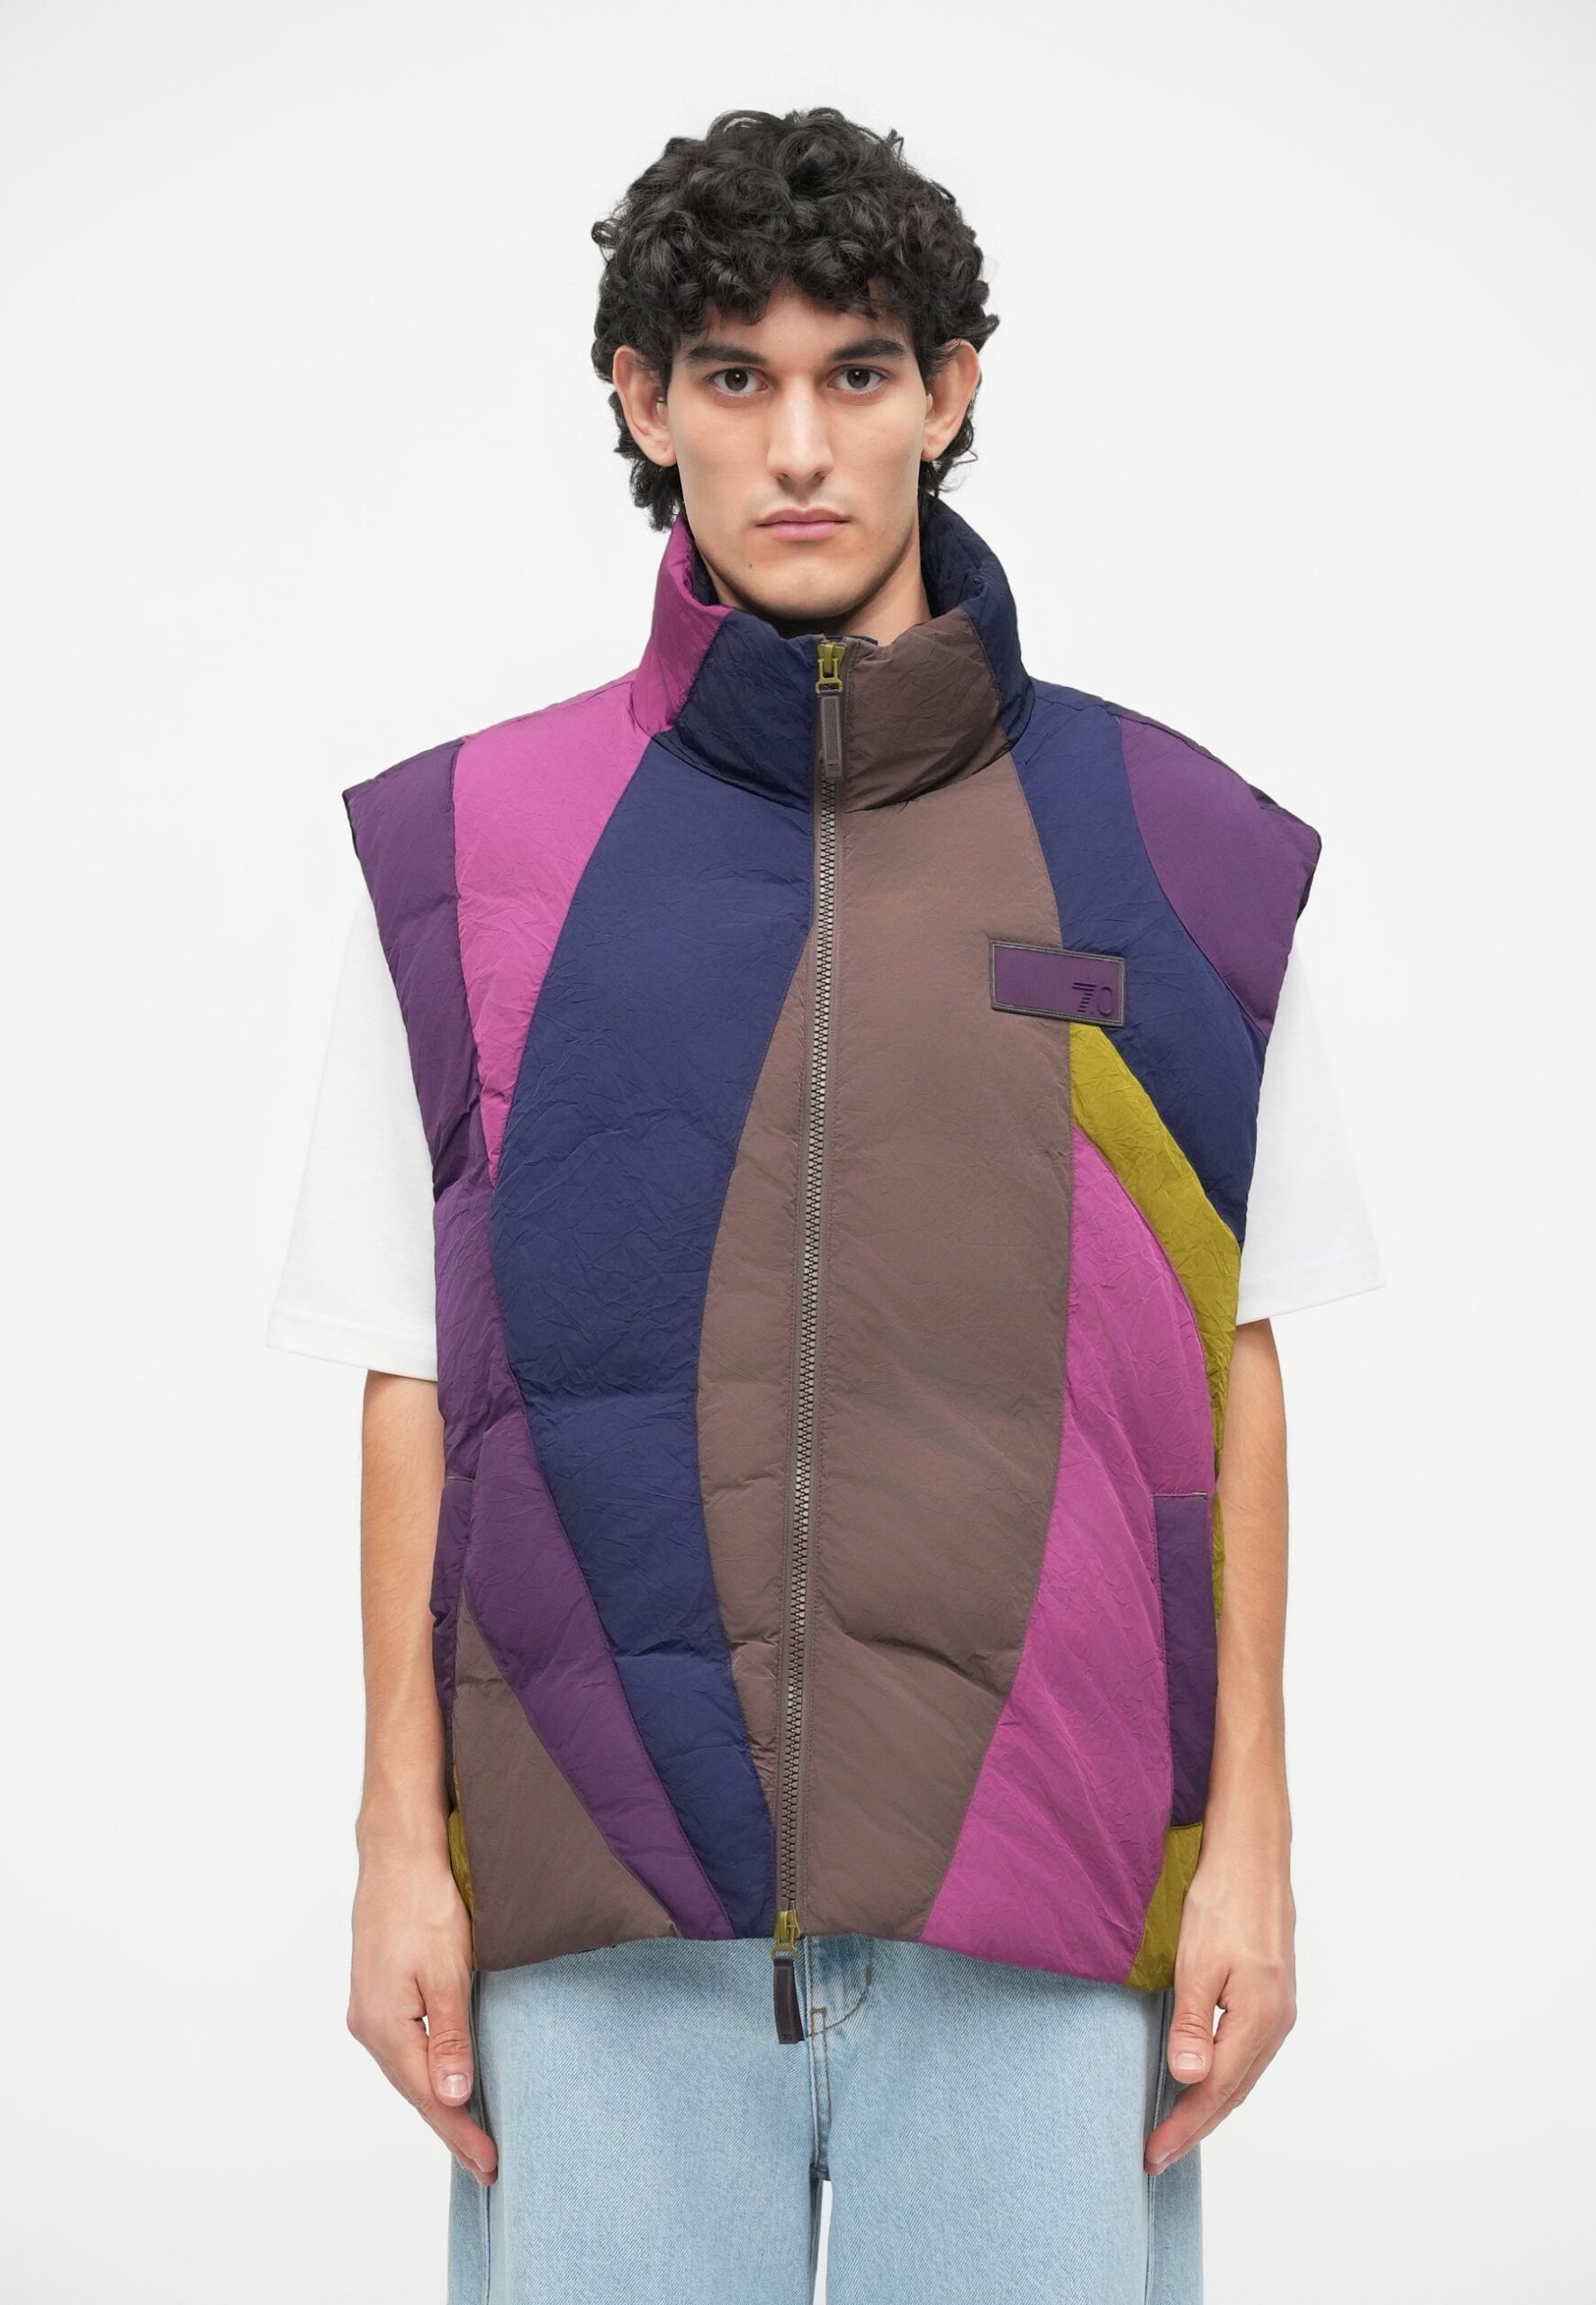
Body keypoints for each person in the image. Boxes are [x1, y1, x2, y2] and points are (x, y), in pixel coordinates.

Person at [266, 104, 1384, 2305]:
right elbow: (402, 1372)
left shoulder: (1179, 856)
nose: (796, 445)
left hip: (1044, 1893)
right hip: (601, 1909)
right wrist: (399, 1838)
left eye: (854, 371)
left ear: (945, 390)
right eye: (733, 375)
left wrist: (1247, 1834)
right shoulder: (466, 852)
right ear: (641, 400)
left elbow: (1235, 1365)